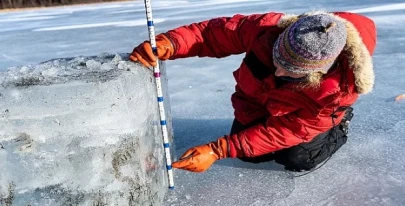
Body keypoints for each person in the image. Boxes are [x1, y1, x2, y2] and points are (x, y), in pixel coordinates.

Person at [129, 11, 376, 172]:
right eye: (276, 60)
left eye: (291, 71)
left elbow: (289, 129)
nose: (278, 72)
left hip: (305, 120)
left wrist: (218, 150)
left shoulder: (339, 90)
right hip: (262, 101)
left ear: (318, 72)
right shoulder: (267, 30)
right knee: (251, 156)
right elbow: (212, 34)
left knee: (296, 159)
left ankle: (338, 127)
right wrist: (170, 43)